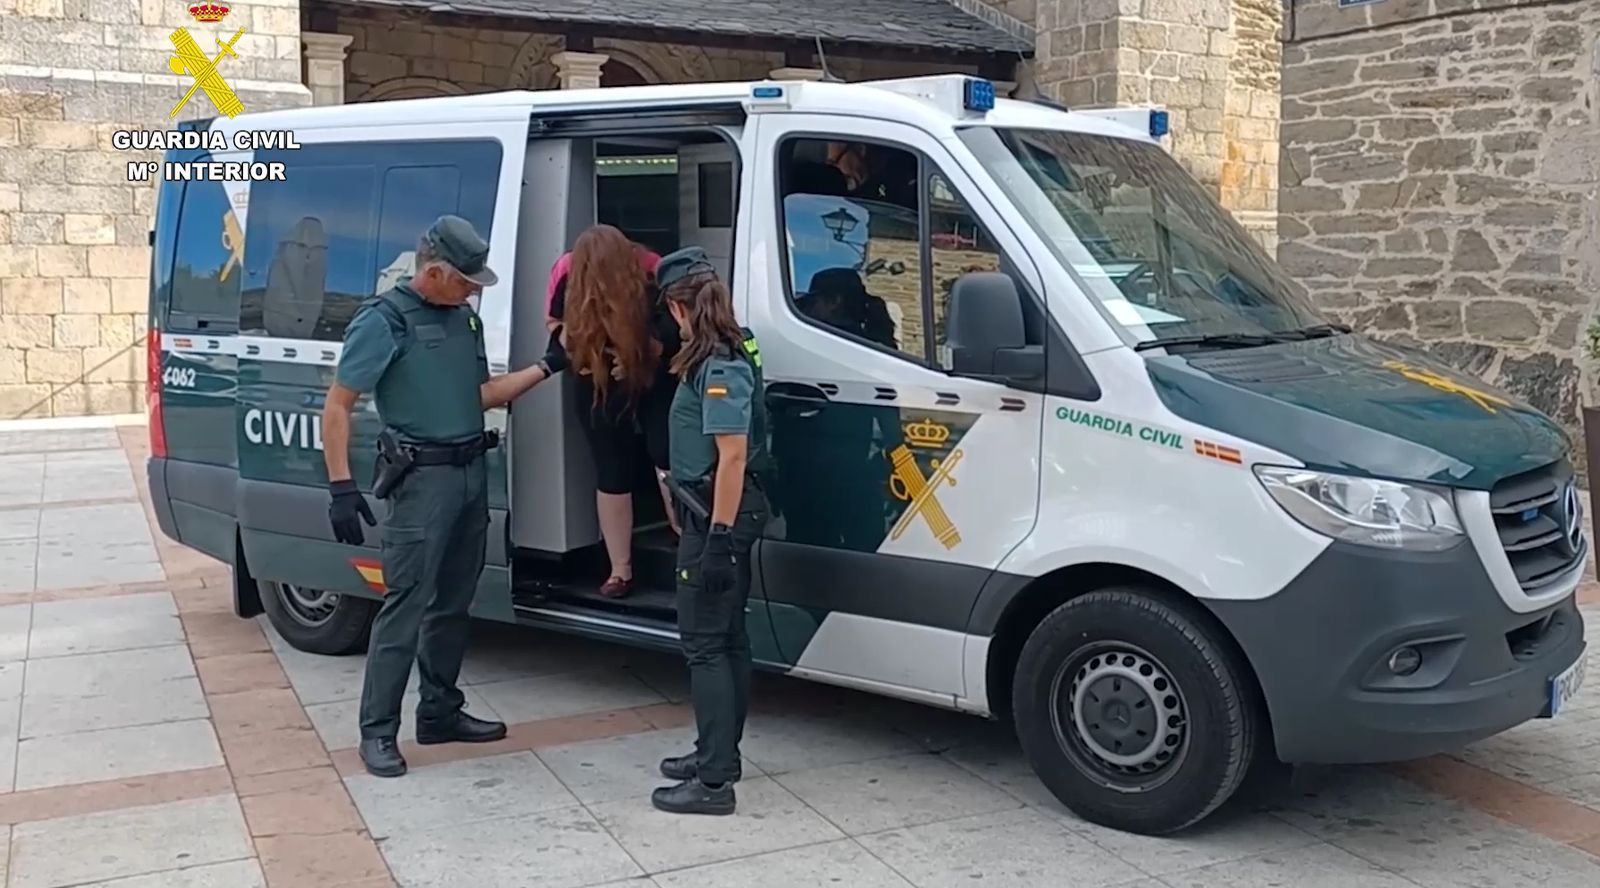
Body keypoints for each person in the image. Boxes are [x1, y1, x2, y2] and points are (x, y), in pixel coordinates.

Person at [322, 215, 569, 779]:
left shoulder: (463, 320)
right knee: (405, 607)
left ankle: (439, 712)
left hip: (468, 475)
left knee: (454, 604)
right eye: (466, 280)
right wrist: (340, 485)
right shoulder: (383, 321)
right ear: (433, 272)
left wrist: (547, 366)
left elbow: (480, 395)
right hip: (421, 485)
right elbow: (338, 404)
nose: (474, 290)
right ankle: (378, 732)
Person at [649, 246, 769, 816]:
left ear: (677, 308)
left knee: (705, 645)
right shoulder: (727, 348)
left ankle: (715, 783)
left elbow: (732, 456)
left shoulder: (718, 363)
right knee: (728, 641)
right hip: (715, 514)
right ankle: (717, 753)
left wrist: (717, 537)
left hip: (719, 519)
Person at [552, 225, 680, 597]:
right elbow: (555, 325)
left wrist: (638, 356)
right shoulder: (569, 274)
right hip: (598, 381)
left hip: (653, 373)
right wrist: (589, 355)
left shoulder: (653, 272)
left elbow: (673, 329)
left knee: (667, 453)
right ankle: (619, 569)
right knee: (611, 471)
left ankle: (686, 540)